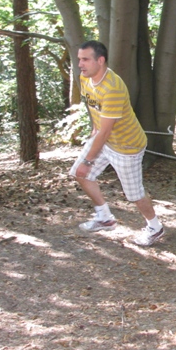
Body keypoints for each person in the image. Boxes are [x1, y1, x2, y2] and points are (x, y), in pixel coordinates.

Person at [69, 41, 164, 246]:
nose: (80, 64)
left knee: (134, 194)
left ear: (100, 61)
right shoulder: (85, 79)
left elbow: (107, 130)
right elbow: (96, 114)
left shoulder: (113, 87)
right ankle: (104, 217)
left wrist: (88, 159)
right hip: (104, 138)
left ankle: (155, 227)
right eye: (79, 59)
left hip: (127, 146)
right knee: (80, 173)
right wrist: (92, 136)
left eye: (85, 59)